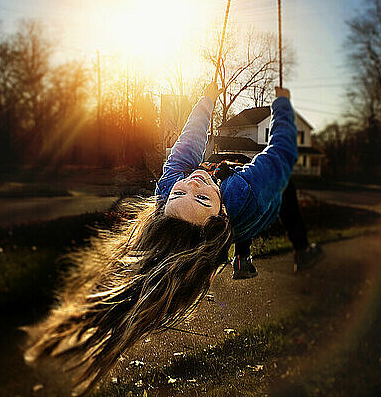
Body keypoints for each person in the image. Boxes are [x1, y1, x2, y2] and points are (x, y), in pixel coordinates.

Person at [24, 81, 307, 394]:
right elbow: (282, 151)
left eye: (182, 191)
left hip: (218, 221)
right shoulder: (242, 194)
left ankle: (237, 252)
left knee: (209, 176)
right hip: (258, 210)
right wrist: (282, 105)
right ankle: (239, 248)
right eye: (201, 198)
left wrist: (206, 100)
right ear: (220, 216)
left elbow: (188, 144)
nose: (195, 182)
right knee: (247, 187)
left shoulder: (168, 194)